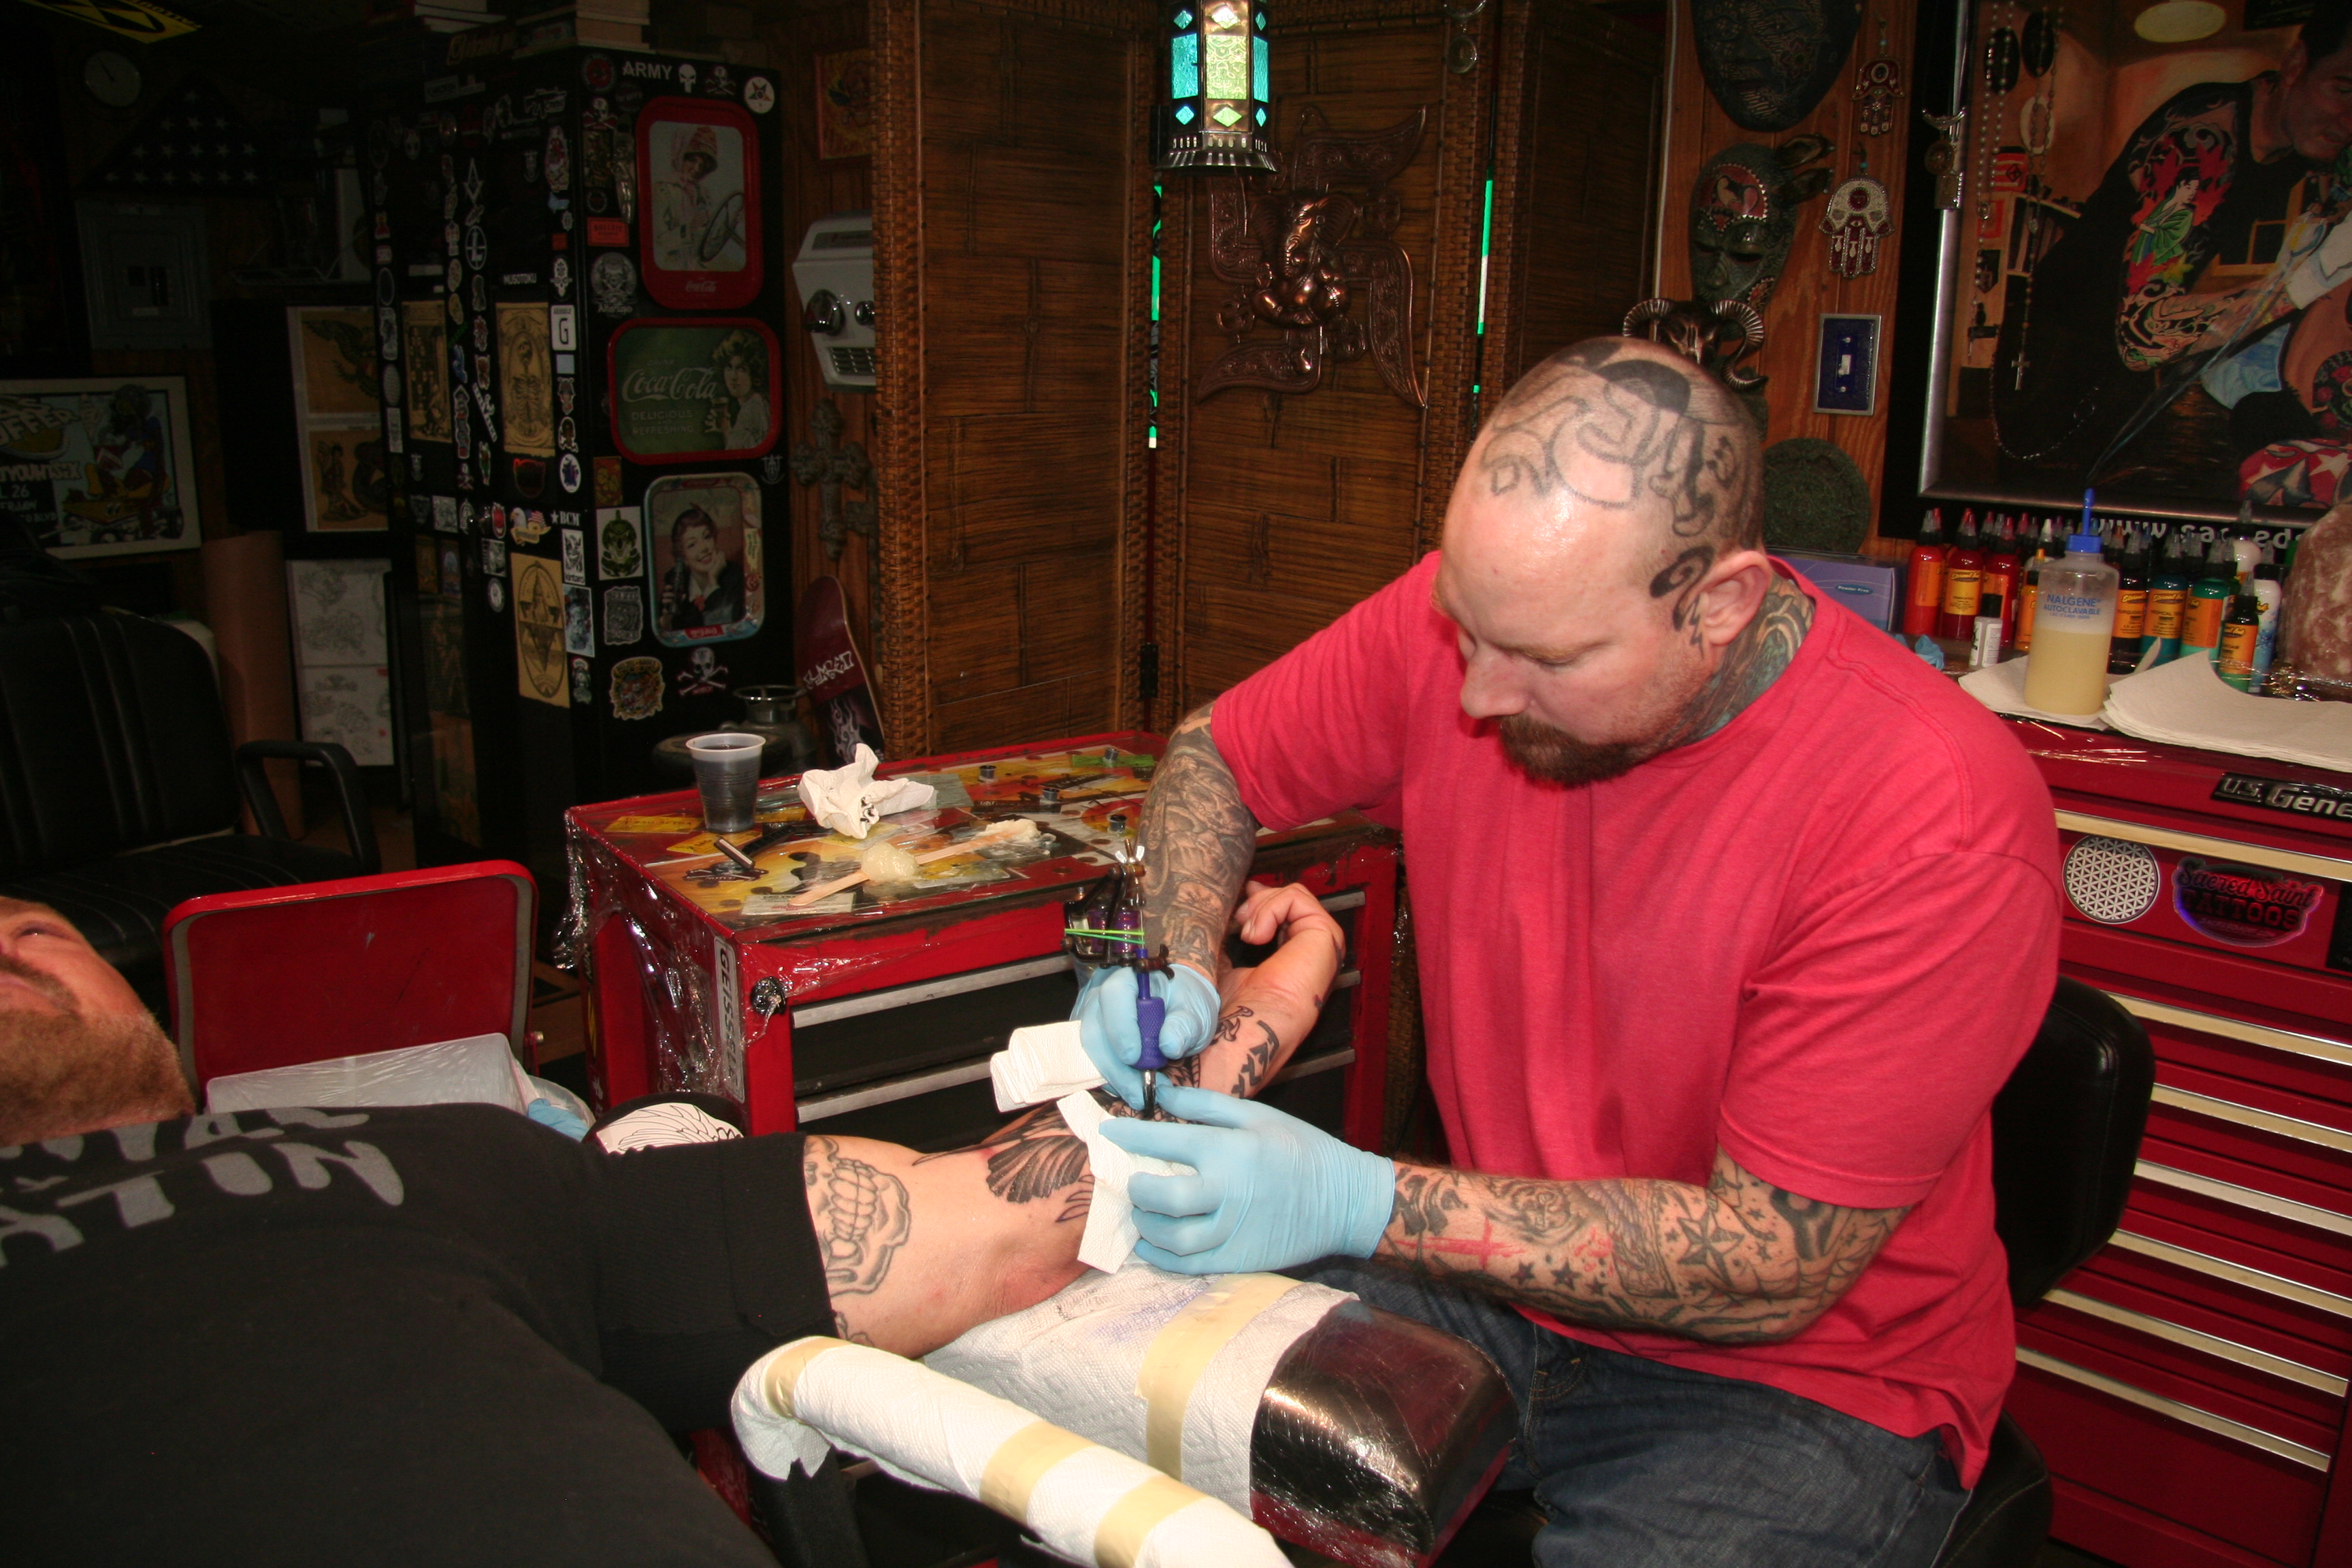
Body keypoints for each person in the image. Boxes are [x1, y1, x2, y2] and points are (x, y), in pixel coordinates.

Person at [1079, 337, 2063, 1567]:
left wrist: (1355, 1195)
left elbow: (1767, 1268)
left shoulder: (1931, 814)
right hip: (1500, 1295)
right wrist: (1169, 956)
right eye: (1465, 626)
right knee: (1102, 1406)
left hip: (1801, 1379)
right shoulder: (1486, 627)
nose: (1478, 693)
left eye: (1545, 660)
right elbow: (1213, 755)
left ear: (1719, 603)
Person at [0, 882, 1345, 1563]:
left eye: (30, 927)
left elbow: (1007, 1214)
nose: (8, 951)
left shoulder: (431, 1164)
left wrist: (1264, 1007)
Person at [1993, 0, 2352, 479]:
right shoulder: (2200, 144)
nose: (2351, 120)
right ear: (2294, 65)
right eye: (2343, 89)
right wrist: (2307, 281)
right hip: (2056, 360)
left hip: (2124, 373)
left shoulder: (2302, 138)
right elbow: (2144, 336)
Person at [659, 505, 746, 632]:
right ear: (683, 557)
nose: (704, 548)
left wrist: (713, 583)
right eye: (692, 544)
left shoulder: (736, 576)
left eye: (707, 537)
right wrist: (666, 621)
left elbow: (722, 628)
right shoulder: (675, 583)